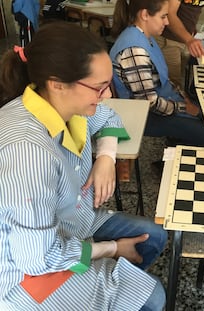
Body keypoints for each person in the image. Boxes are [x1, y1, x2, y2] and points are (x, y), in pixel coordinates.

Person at [0, 22, 167, 310]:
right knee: (154, 298)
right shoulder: (27, 151)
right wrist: (110, 250)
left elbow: (110, 118)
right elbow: (39, 258)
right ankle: (110, 284)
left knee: (154, 236)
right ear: (57, 82)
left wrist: (105, 159)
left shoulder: (63, 104)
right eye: (99, 87)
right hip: (26, 273)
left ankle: (113, 285)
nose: (108, 95)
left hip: (72, 221)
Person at [110, 0, 204, 147]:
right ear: (145, 15)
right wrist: (183, 107)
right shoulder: (134, 50)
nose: (168, 21)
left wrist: (184, 99)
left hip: (164, 106)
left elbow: (163, 80)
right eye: (163, 16)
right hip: (147, 116)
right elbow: (148, 102)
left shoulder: (145, 37)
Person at [156, 0, 204, 86]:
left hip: (187, 40)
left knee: (183, 84)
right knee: (173, 88)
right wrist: (189, 39)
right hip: (167, 38)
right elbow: (169, 13)